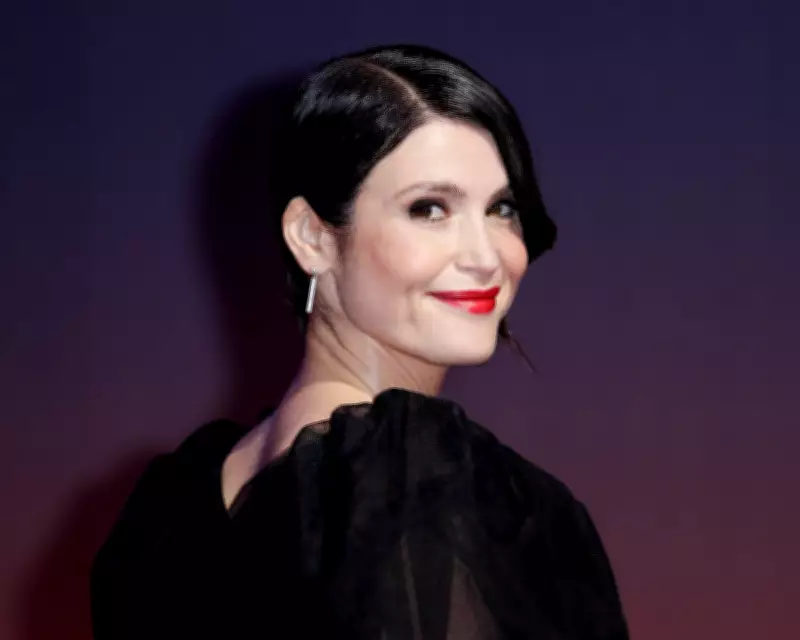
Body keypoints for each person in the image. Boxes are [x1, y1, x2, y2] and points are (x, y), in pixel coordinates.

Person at [90, 44, 629, 639]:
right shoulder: (418, 482)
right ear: (312, 237)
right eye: (429, 209)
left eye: (501, 209)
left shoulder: (175, 498)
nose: (486, 256)